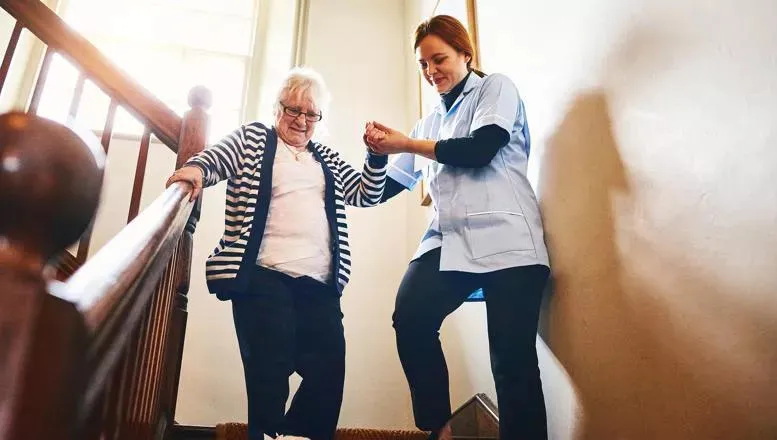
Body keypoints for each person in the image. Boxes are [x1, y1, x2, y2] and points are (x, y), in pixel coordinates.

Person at [167, 67, 388, 440]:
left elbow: (364, 193)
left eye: (311, 113)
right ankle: (268, 434)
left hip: (318, 281)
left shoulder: (327, 157)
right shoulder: (255, 138)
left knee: (329, 368)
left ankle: (296, 435)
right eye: (293, 109)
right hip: (263, 275)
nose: (301, 120)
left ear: (319, 118)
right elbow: (217, 157)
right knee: (270, 367)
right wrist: (195, 170)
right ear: (277, 108)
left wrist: (377, 156)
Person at [363, 15, 550, 440]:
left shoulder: (495, 88)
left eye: (439, 59)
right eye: (423, 65)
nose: (431, 72)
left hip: (510, 241)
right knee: (410, 317)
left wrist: (404, 144)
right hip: (449, 240)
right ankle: (439, 429)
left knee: (511, 360)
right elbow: (378, 191)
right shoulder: (429, 123)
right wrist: (375, 154)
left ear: (466, 53)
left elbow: (481, 149)